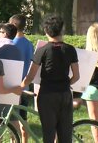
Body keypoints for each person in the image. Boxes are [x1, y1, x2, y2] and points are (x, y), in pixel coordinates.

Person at [20, 15, 80, 143]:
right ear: (62, 31)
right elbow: (76, 76)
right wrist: (66, 83)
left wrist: (20, 86)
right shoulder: (70, 49)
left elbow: (30, 76)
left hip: (47, 94)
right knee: (65, 134)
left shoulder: (42, 50)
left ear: (46, 31)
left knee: (48, 133)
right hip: (64, 93)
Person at [0, 23, 23, 141]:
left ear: (5, 34)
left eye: (0, 32)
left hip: (0, 90)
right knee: (14, 121)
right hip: (15, 88)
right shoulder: (18, 51)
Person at [9, 14, 34, 143]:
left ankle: (15, 140)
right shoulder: (29, 44)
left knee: (11, 119)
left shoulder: (12, 44)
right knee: (23, 118)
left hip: (14, 85)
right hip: (26, 85)